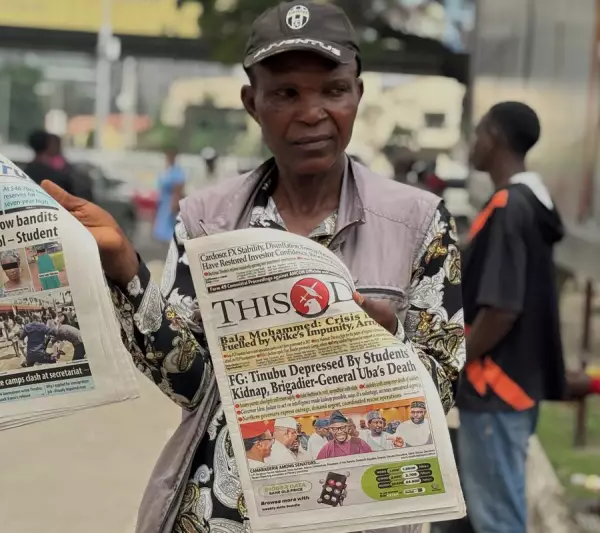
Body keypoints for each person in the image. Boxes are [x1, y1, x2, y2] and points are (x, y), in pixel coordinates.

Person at [41, 3, 465, 531]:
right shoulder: (205, 221)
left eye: (333, 90)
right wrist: (126, 268)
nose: (311, 113)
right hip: (225, 515)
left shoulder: (418, 223)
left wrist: (388, 345)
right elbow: (189, 384)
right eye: (285, 94)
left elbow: (442, 390)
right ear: (252, 102)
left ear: (357, 94)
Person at [458, 101, 566, 533]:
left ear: (496, 137)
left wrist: (455, 359)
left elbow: (502, 308)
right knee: (502, 511)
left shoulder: (507, 206)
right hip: (517, 385)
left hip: (494, 387)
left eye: (478, 133)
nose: (473, 143)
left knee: (497, 520)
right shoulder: (530, 204)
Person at [152, 146, 186, 245]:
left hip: (170, 201)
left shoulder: (177, 171)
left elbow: (178, 189)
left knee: (170, 229)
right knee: (161, 231)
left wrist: (175, 202)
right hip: (162, 202)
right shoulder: (166, 170)